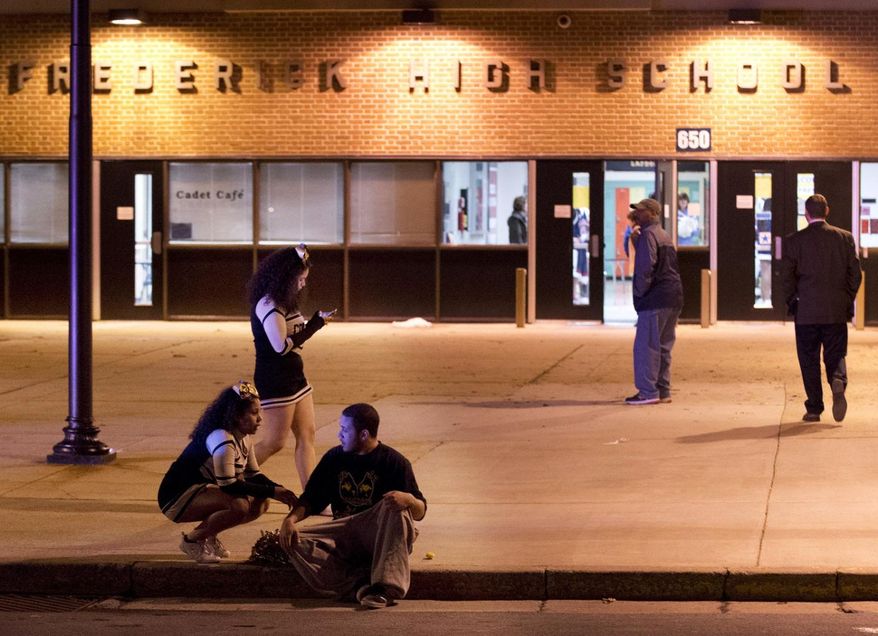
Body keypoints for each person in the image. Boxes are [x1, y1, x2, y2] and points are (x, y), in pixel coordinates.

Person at [279, 403, 427, 610]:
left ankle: (384, 589)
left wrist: (410, 500)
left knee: (396, 507)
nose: (340, 435)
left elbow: (420, 511)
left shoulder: (394, 462)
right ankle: (361, 586)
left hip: (378, 534)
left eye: (345, 430)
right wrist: (290, 520)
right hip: (344, 532)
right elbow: (312, 498)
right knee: (291, 539)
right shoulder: (334, 458)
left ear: (364, 434)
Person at [158, 381, 299, 563]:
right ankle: (192, 540)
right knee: (239, 506)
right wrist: (273, 492)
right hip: (175, 498)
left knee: (261, 502)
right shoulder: (222, 439)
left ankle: (209, 536)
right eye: (254, 413)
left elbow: (253, 475)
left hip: (198, 491)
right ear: (237, 416)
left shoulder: (243, 437)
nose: (260, 419)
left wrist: (280, 490)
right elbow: (229, 484)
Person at [248, 243, 335, 488]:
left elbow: (292, 337)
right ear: (286, 276)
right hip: (274, 377)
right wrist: (314, 326)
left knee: (307, 435)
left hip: (295, 375)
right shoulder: (269, 304)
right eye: (301, 278)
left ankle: (312, 497)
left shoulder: (286, 300)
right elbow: (280, 347)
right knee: (275, 442)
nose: (303, 284)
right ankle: (230, 475)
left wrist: (315, 322)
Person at [782, 193, 861, 423]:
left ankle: (814, 407)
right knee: (836, 353)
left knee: (808, 359)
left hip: (806, 311)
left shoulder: (794, 241)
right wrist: (847, 299)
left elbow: (787, 278)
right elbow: (855, 275)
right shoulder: (844, 238)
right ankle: (837, 379)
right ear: (827, 212)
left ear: (806, 214)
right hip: (835, 310)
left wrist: (793, 302)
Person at [624, 198, 684, 405]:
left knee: (647, 346)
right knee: (663, 346)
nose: (637, 215)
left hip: (655, 299)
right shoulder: (664, 235)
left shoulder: (648, 234)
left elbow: (645, 268)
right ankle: (663, 389)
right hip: (673, 297)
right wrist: (635, 243)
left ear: (651, 213)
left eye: (640, 211)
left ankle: (648, 392)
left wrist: (640, 295)